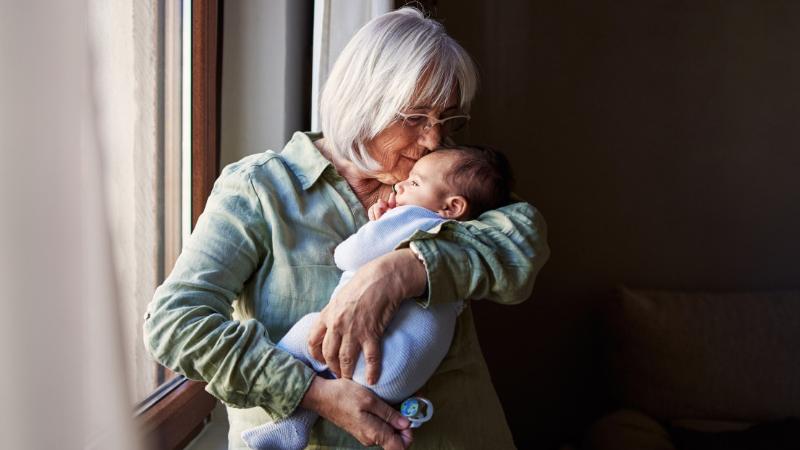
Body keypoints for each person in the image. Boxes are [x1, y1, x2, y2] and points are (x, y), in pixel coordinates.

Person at [144, 7, 549, 450]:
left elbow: (522, 241)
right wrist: (310, 392)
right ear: (363, 100)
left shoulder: (447, 177)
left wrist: (402, 271)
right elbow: (174, 324)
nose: (435, 139)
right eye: (415, 117)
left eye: (446, 118)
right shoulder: (261, 190)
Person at [241, 145, 515, 450]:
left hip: (376, 361)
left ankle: (295, 409)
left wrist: (377, 226)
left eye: (414, 183)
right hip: (401, 379)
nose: (400, 186)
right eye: (415, 117)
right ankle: (302, 423)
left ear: (451, 207)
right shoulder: (461, 232)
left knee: (312, 330)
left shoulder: (414, 217)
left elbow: (348, 255)